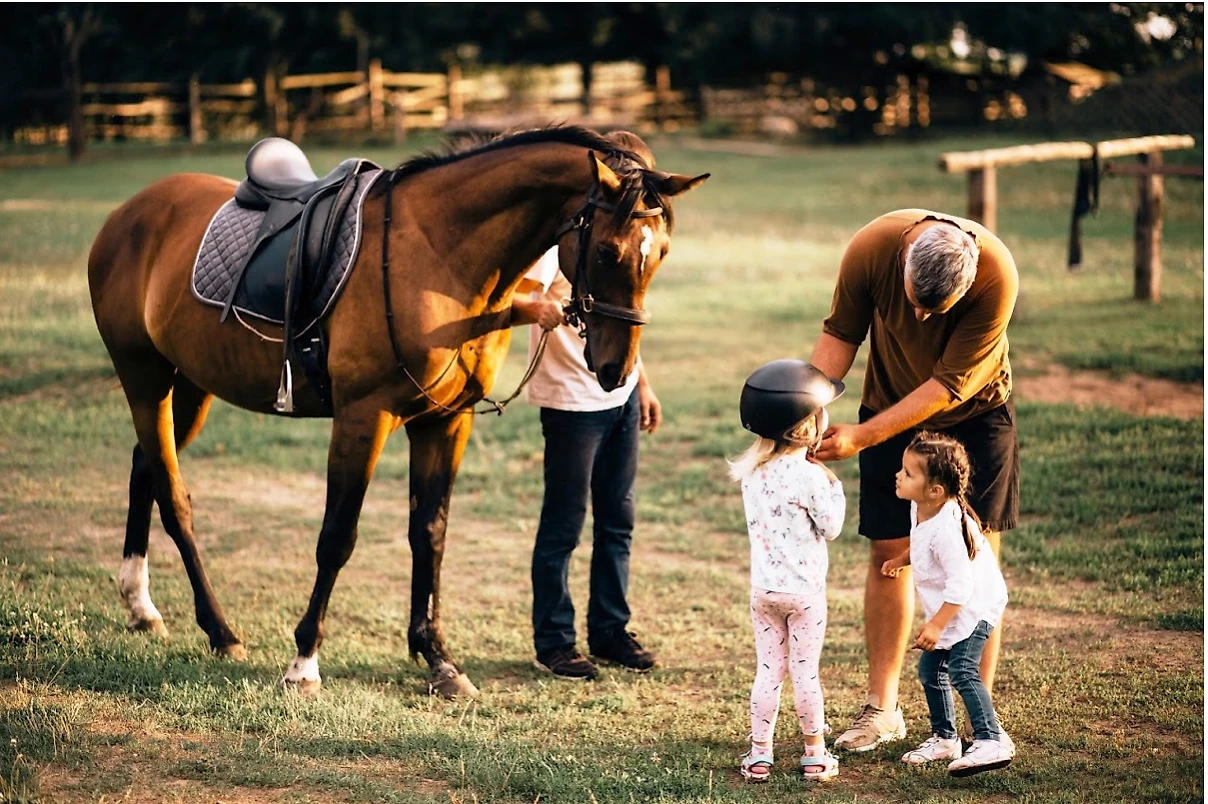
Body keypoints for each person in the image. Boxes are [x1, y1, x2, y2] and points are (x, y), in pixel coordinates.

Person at [809, 209, 1019, 753]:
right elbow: (840, 336)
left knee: (975, 557)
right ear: (905, 263)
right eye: (915, 303)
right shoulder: (872, 248)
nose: (922, 319)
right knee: (889, 551)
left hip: (973, 414)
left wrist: (862, 436)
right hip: (885, 405)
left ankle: (977, 723)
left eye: (938, 309)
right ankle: (882, 711)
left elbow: (948, 385)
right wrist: (806, 413)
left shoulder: (996, 273)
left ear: (967, 283)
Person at [508, 131, 663, 681]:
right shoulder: (564, 240)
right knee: (565, 525)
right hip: (572, 402)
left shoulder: (629, 232)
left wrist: (641, 383)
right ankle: (553, 641)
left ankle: (610, 631)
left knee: (617, 520)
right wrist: (540, 306)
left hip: (618, 394)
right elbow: (523, 296)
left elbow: (623, 314)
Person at [729, 359, 846, 783]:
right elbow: (831, 528)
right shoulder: (812, 478)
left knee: (768, 671)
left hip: (764, 592)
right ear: (809, 423)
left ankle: (760, 754)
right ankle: (814, 753)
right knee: (805, 672)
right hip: (805, 597)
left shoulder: (752, 474)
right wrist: (835, 487)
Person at [880, 432, 1011, 777]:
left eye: (908, 473)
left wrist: (937, 624)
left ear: (935, 490)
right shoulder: (922, 508)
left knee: (962, 670)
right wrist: (903, 558)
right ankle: (945, 738)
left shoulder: (949, 528)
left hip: (972, 606)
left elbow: (961, 586)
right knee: (929, 672)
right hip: (953, 607)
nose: (899, 475)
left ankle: (991, 739)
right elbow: (924, 545)